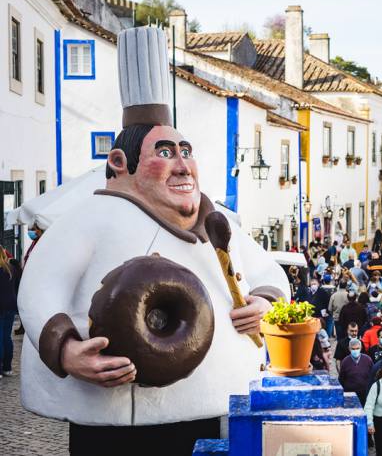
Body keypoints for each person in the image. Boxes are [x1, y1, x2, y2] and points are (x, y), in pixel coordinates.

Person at [17, 26, 291, 456]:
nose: (183, 166)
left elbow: (265, 270)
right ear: (119, 163)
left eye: (186, 151)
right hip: (110, 416)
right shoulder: (90, 218)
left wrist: (264, 302)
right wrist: (67, 351)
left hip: (200, 404)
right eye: (165, 153)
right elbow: (40, 287)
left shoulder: (215, 220)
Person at [0, 249, 21, 377]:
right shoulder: (11, 269)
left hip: (1, 307)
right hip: (10, 306)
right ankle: (7, 367)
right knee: (7, 337)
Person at [339, 338, 374, 405]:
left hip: (365, 394)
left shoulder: (368, 360)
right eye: (353, 349)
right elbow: (341, 379)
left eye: (357, 348)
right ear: (349, 349)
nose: (355, 351)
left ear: (361, 348)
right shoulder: (345, 361)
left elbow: (372, 376)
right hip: (350, 394)